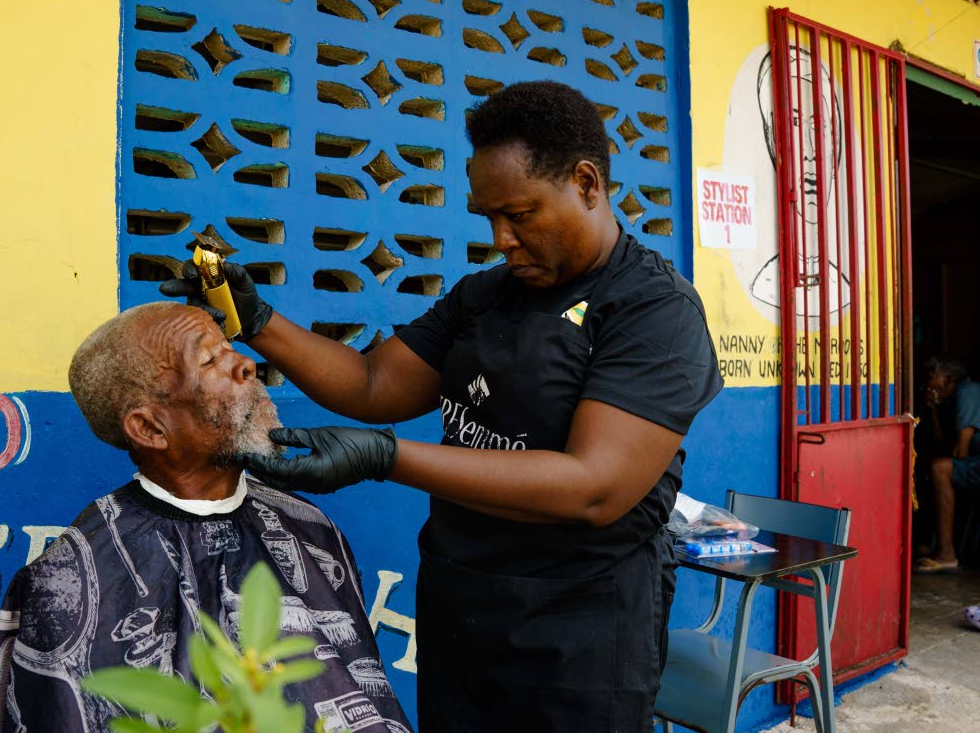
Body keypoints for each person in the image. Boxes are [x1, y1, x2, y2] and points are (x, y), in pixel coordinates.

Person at [163, 80, 724, 731]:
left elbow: (593, 486)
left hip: (580, 629)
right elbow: (374, 384)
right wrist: (255, 319)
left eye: (520, 214)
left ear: (587, 183)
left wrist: (385, 458)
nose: (501, 239)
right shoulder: (486, 295)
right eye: (488, 216)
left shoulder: (653, 310)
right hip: (464, 605)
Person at [0, 303, 411, 733]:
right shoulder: (67, 579)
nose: (246, 366)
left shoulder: (307, 525)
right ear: (150, 429)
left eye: (228, 348)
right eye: (209, 360)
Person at [917, 354, 980, 573]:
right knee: (932, 465)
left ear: (948, 378)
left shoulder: (967, 392)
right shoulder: (953, 398)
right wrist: (933, 409)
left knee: (940, 468)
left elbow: (960, 452)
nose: (927, 383)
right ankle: (934, 545)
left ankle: (946, 554)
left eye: (932, 376)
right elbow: (943, 444)